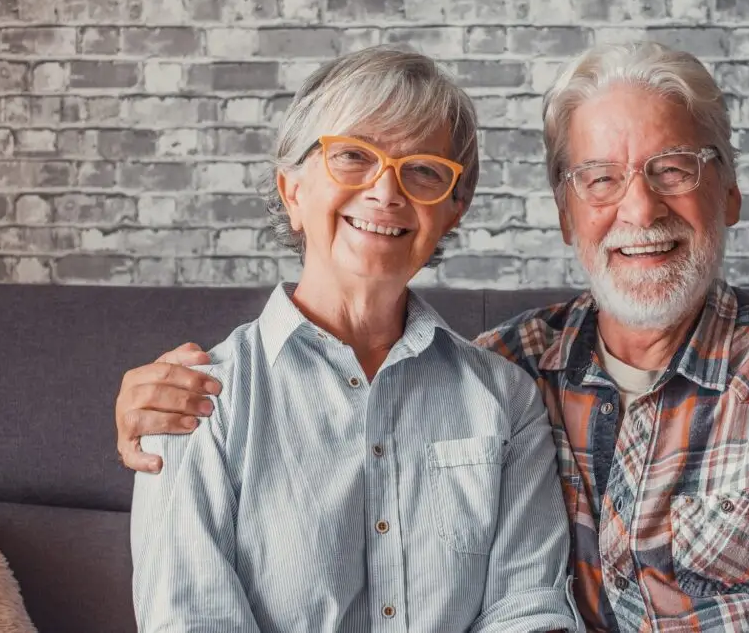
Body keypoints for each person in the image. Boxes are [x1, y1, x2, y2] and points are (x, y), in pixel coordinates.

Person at [116, 41, 749, 631]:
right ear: (290, 190)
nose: (638, 210)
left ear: (729, 192)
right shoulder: (198, 401)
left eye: (672, 170)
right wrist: (136, 417)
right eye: (600, 177)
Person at [127, 45, 580, 632]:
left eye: (422, 170)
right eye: (352, 157)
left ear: (453, 210)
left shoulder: (507, 401)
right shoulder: (196, 401)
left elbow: (525, 609)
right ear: (293, 192)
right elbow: (189, 621)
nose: (385, 192)